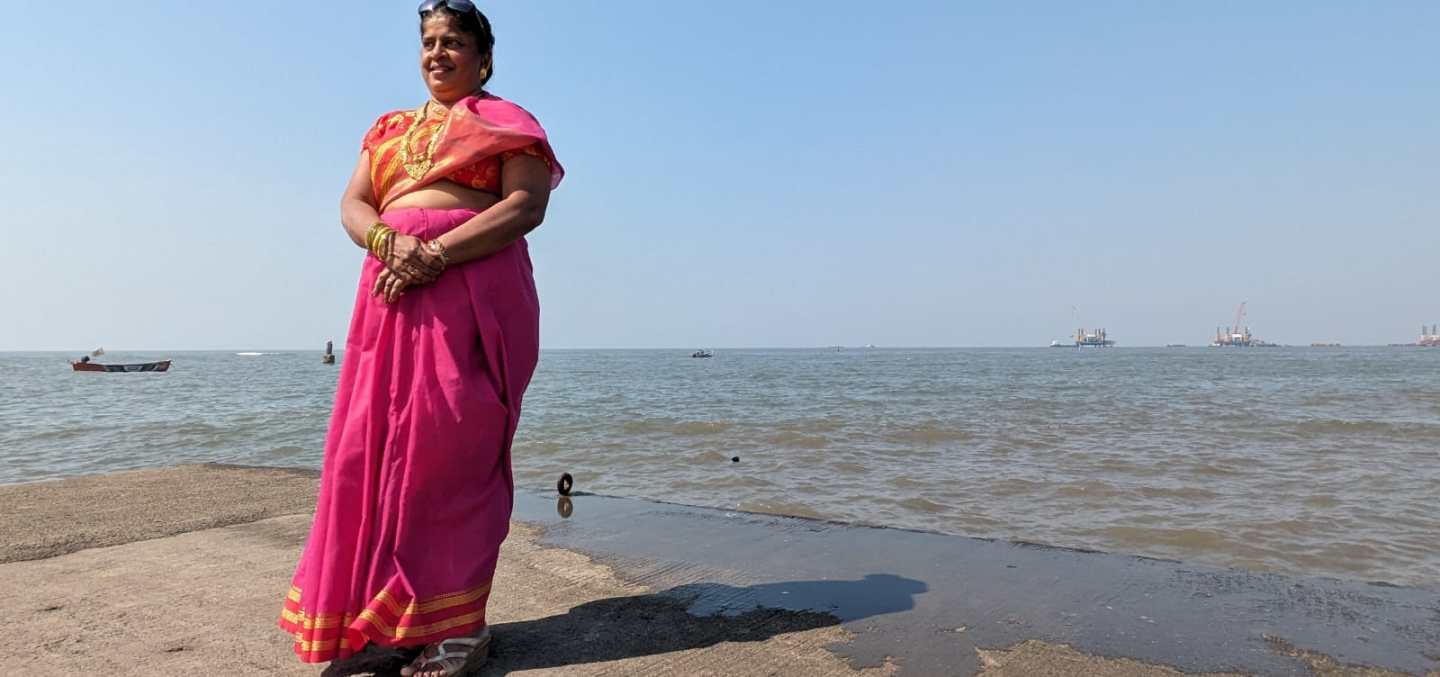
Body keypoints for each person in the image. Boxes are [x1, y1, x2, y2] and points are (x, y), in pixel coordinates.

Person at [278, 2, 563, 675]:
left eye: (454, 42)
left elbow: (526, 205)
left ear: (483, 57)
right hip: (389, 298)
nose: (438, 53)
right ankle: (394, 617)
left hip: (473, 293)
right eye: (428, 42)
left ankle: (461, 628)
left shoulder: (507, 124)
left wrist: (434, 254)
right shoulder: (388, 129)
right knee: (369, 455)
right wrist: (389, 241)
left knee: (452, 448)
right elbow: (354, 203)